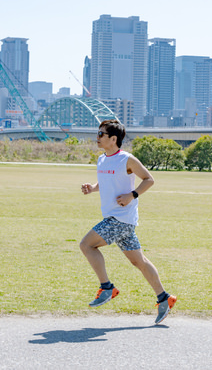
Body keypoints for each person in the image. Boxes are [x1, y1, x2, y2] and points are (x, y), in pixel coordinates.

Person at [80, 119, 177, 324]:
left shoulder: (127, 159)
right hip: (118, 219)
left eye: (101, 134)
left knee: (87, 245)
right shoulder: (102, 159)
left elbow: (149, 179)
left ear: (113, 139)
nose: (97, 137)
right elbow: (107, 183)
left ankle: (107, 287)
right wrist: (92, 188)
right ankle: (164, 298)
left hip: (120, 219)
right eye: (98, 133)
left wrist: (132, 195)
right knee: (138, 261)